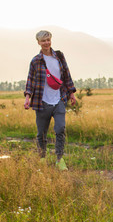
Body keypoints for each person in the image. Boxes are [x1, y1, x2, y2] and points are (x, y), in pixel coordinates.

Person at [24, 30, 76, 171]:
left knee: (60, 129)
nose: (46, 43)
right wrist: (27, 97)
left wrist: (71, 93)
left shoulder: (59, 56)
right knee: (41, 134)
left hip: (59, 99)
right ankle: (42, 158)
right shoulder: (36, 61)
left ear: (51, 40)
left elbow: (67, 75)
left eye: (48, 39)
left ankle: (60, 159)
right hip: (42, 102)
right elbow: (30, 80)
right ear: (39, 42)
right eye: (43, 40)